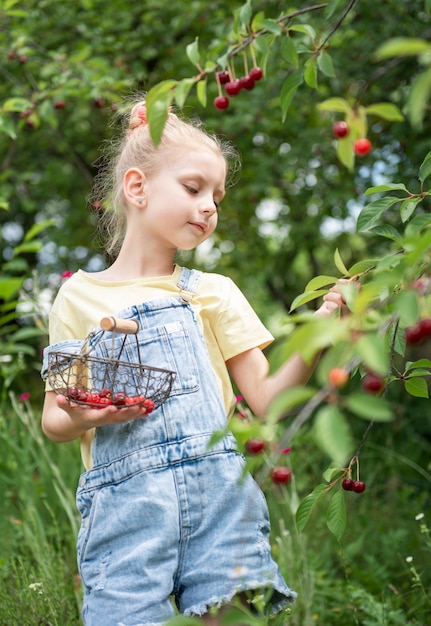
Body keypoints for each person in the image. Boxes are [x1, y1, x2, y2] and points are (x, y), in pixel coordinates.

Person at [41, 96, 345, 626]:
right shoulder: (78, 299)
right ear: (137, 188)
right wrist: (84, 416)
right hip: (127, 511)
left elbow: (268, 400)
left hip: (222, 501)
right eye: (193, 188)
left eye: (217, 196)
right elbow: (54, 419)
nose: (209, 206)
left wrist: (324, 326)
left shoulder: (215, 293)